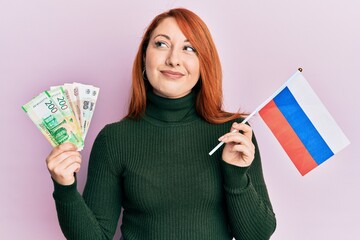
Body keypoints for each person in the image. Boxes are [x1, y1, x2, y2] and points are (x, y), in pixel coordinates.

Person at [46, 8, 276, 240]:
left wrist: (236, 176)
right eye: (161, 44)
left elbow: (256, 236)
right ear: (145, 55)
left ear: (203, 63)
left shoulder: (234, 133)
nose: (173, 60)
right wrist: (64, 187)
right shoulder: (114, 139)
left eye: (189, 48)